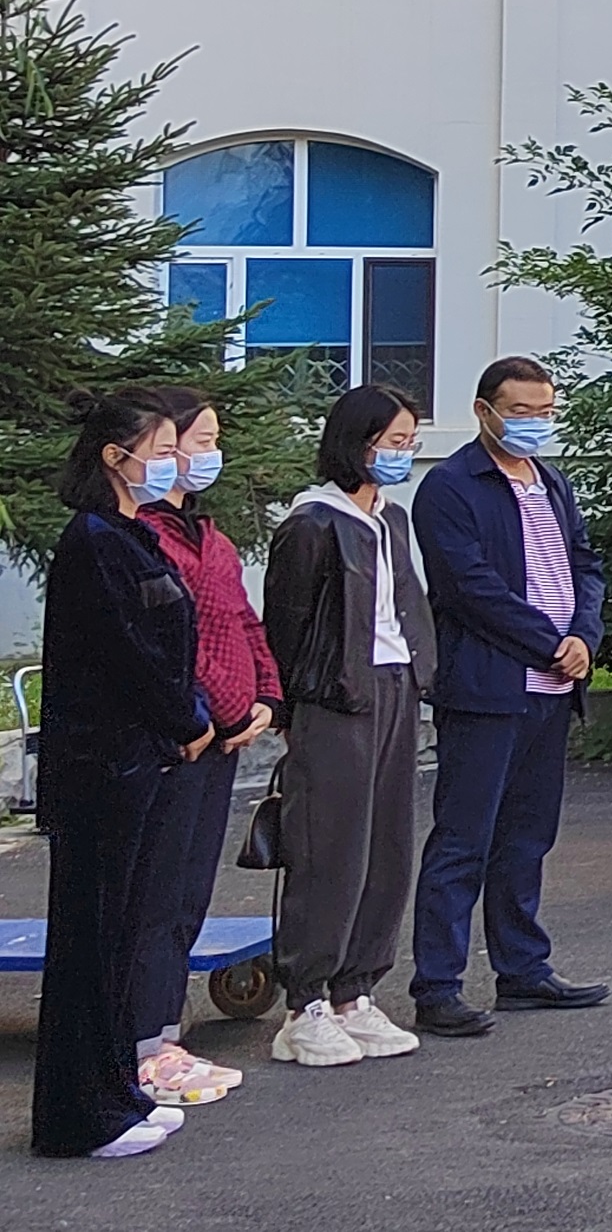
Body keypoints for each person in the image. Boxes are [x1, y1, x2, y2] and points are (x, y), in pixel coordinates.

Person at [26, 389, 212, 1160]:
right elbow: (129, 654)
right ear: (116, 457)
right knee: (90, 943)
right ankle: (79, 1115)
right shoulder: (94, 540)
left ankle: (117, 1091)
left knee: (121, 937)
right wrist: (187, 719)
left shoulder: (133, 535)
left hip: (138, 760)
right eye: (162, 451)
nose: (174, 463)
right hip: (101, 767)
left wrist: (187, 712)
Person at [411, 356, 607, 1034]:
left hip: (552, 687)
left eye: (544, 412)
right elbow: (469, 588)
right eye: (520, 412)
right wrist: (549, 642)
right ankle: (437, 985)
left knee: (527, 836)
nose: (534, 424)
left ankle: (522, 969)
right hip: (487, 688)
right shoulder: (450, 487)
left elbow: (585, 564)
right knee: (463, 839)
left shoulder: (551, 481)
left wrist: (583, 636)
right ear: (484, 411)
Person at [263, 385, 438, 1072]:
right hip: (335, 697)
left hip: (395, 686)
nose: (404, 453)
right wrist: (288, 708)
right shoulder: (312, 523)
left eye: (409, 441)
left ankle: (354, 990)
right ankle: (304, 1001)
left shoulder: (389, 518)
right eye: (393, 441)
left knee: (388, 845)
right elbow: (286, 623)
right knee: (329, 847)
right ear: (356, 442)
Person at [129, 391, 275, 1104]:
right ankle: (143, 1045)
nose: (208, 454)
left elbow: (243, 622)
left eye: (215, 440)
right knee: (153, 899)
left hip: (222, 741)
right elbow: (168, 646)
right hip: (179, 741)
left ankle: (166, 1037)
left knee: (189, 895)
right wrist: (214, 711)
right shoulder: (140, 537)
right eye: (197, 440)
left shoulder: (210, 538)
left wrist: (266, 696)